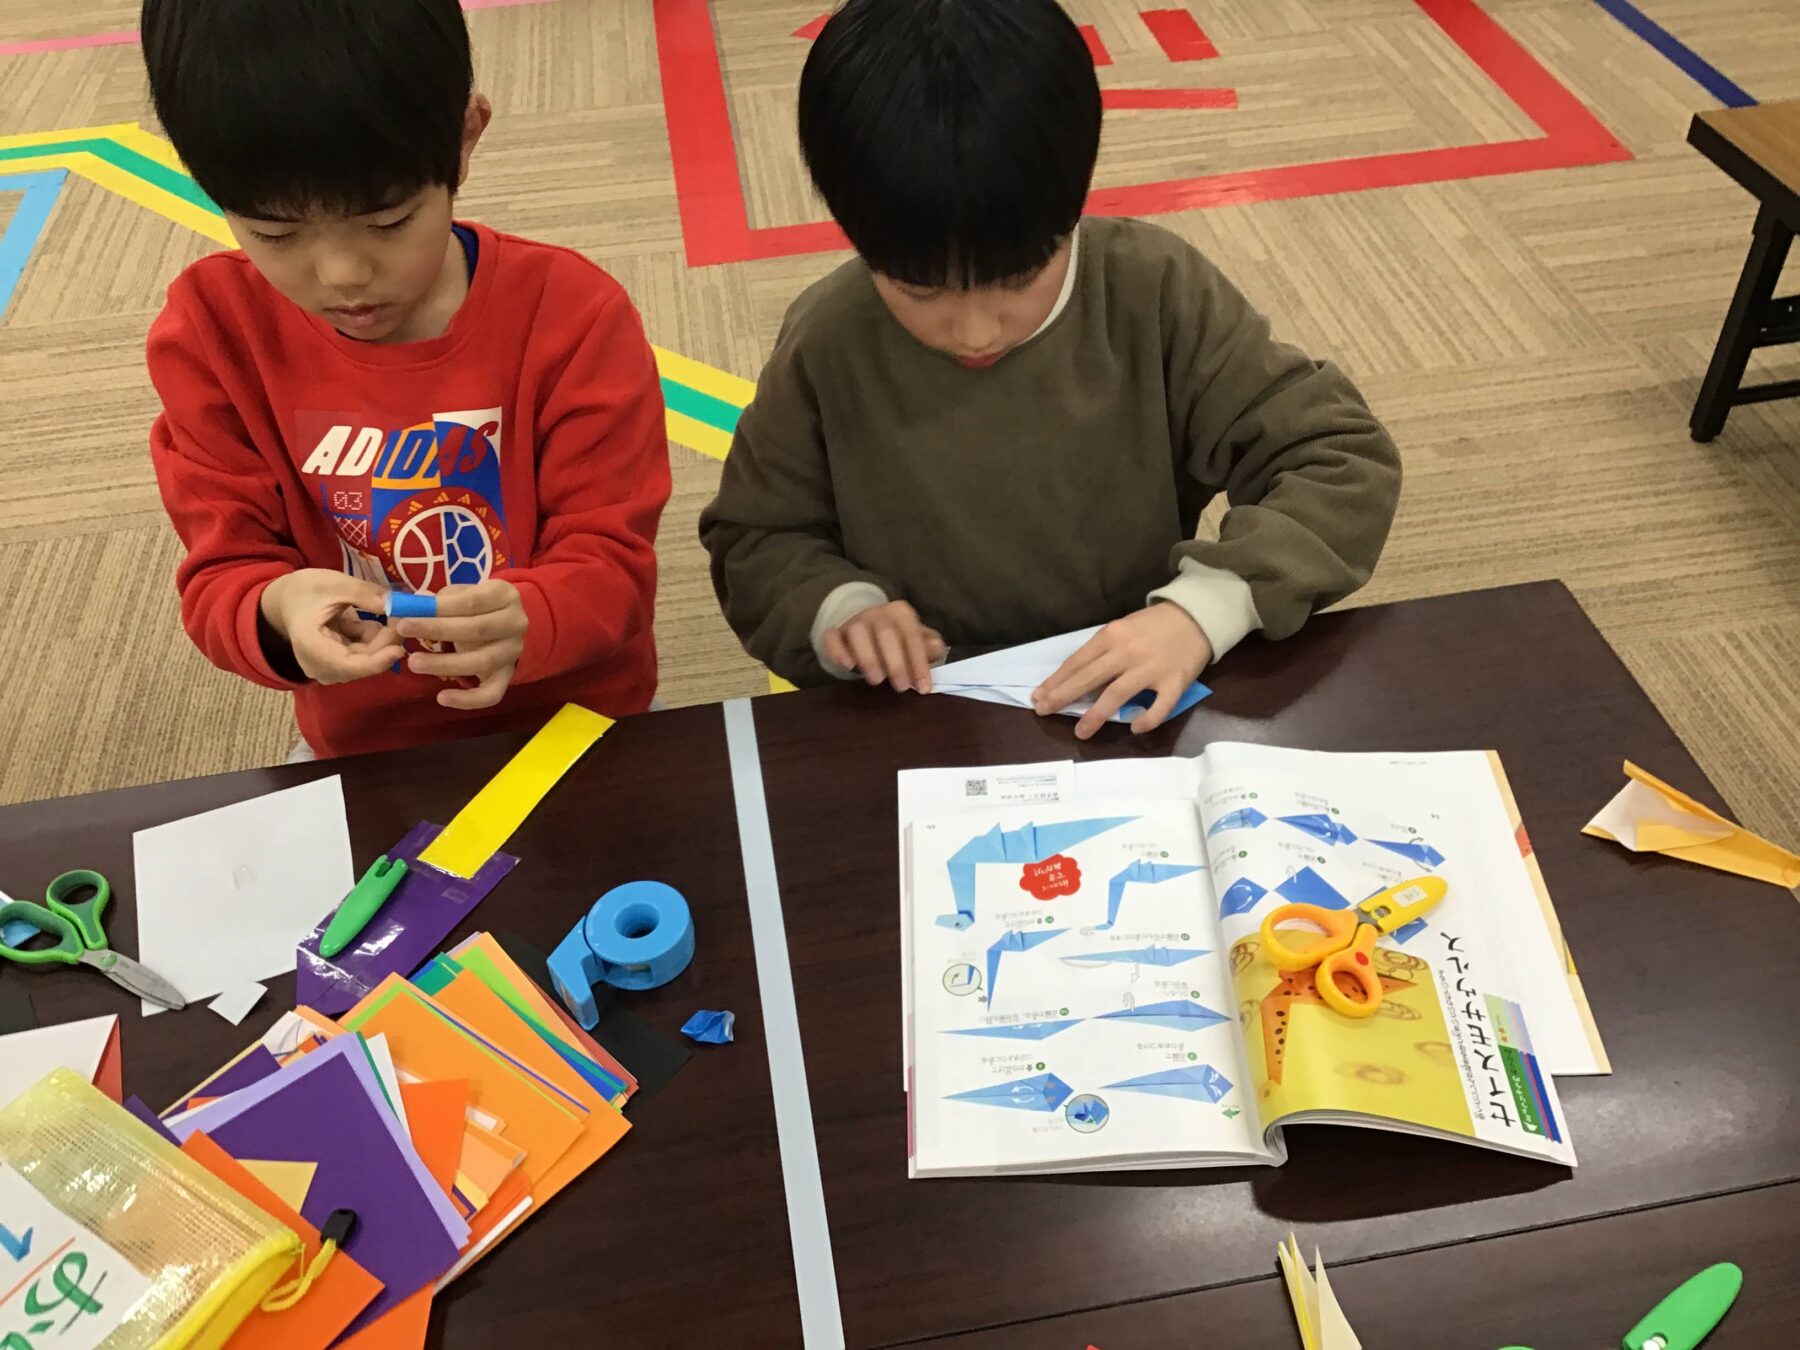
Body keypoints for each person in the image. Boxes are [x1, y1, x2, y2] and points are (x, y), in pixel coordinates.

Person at [700, 0, 1401, 739]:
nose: (976, 331)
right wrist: (839, 610)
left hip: (1133, 690)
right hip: (930, 714)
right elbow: (756, 539)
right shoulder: (828, 339)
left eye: (1019, 278)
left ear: (1073, 206)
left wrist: (1206, 608)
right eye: (919, 290)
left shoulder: (1153, 291)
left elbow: (1338, 457)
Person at [141, 0, 669, 759]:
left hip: (578, 718)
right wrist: (280, 609)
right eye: (275, 233)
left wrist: (537, 613)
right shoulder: (212, 334)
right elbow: (221, 576)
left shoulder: (573, 317)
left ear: (464, 138)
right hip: (366, 745)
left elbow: (615, 566)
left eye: (388, 222)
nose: (343, 275)